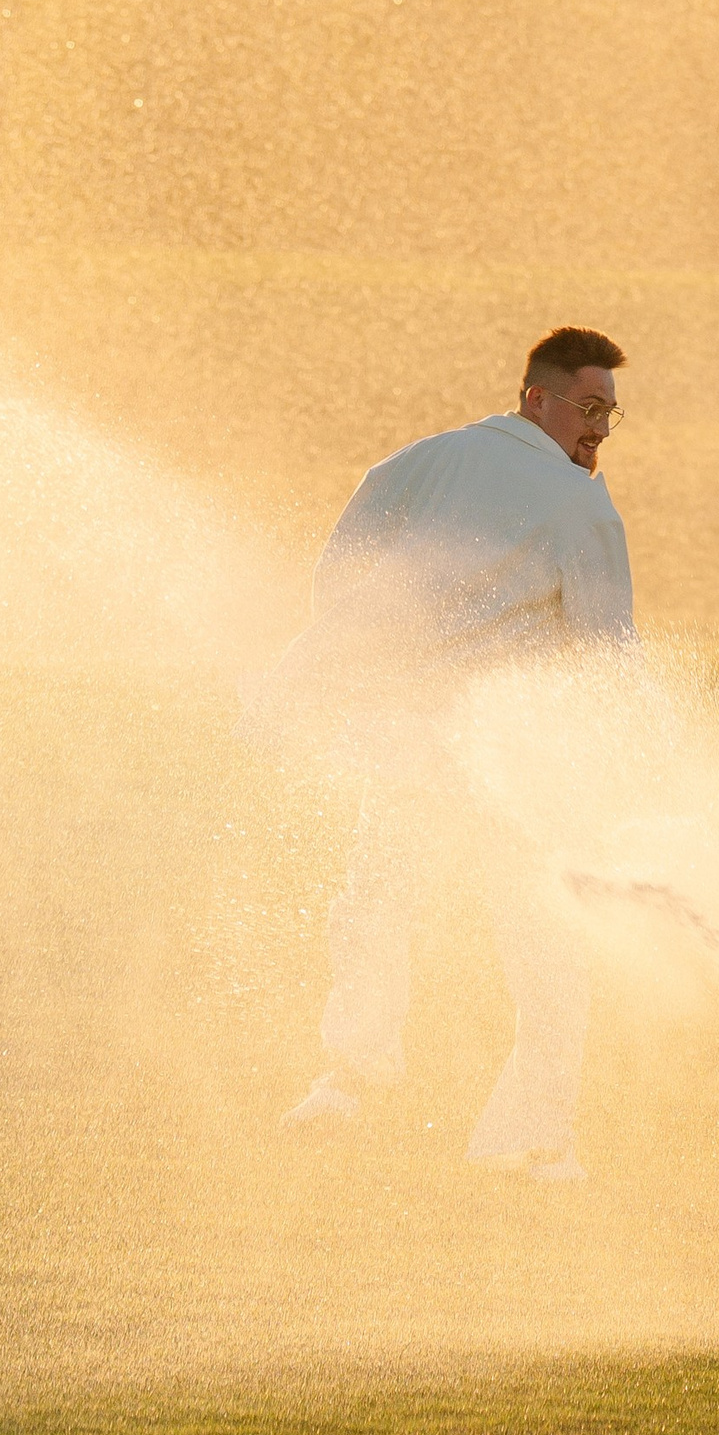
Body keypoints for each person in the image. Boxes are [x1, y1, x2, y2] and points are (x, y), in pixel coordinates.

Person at [257, 328, 637, 1180]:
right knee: (540, 938)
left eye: (611, 414)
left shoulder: (417, 463)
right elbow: (609, 651)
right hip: (516, 768)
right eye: (588, 408)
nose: (601, 430)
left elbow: (339, 584)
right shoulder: (582, 505)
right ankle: (533, 1134)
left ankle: (348, 1079)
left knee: (378, 904)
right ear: (535, 397)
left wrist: (380, 664)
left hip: (414, 741)